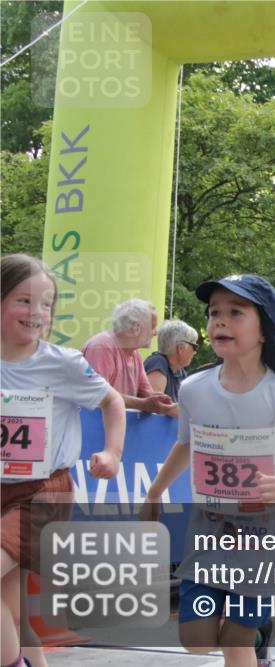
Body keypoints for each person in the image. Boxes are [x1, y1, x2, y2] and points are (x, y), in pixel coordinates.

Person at [139, 274, 275, 667]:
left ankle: (253, 637)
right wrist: (155, 492)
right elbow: (185, 445)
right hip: (208, 532)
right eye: (214, 313)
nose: (220, 321)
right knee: (196, 641)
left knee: (235, 640)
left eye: (235, 312)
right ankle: (261, 633)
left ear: (264, 330)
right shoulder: (193, 389)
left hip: (262, 536)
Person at [1, 254, 126, 667]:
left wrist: (112, 451)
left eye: (46, 303)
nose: (36, 313)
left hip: (42, 491)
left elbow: (112, 401)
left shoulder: (62, 362)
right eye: (24, 301)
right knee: (12, 610)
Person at [82, 298, 176, 416]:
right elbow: (97, 393)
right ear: (136, 328)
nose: (155, 333)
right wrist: (143, 404)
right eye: (152, 327)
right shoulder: (101, 347)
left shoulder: (135, 355)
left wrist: (164, 403)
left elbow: (146, 393)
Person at [144, 319, 199, 402]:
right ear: (180, 348)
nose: (195, 352)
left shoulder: (180, 372)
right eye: (194, 347)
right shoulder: (157, 363)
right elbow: (154, 406)